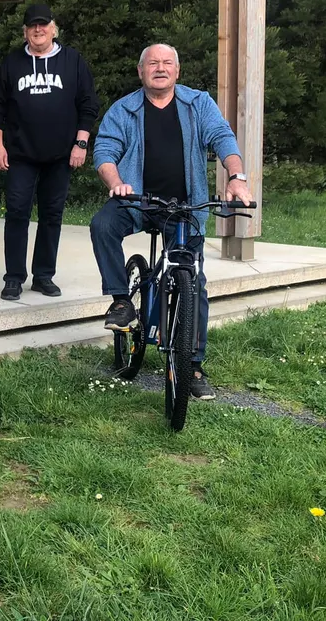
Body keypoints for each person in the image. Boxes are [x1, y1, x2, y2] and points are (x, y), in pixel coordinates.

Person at [90, 43, 252, 401]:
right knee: (102, 225)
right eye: (152, 63)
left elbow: (222, 137)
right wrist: (116, 182)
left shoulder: (198, 103)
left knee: (194, 282)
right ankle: (121, 301)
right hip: (138, 202)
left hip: (185, 208)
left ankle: (192, 365)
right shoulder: (125, 109)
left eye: (167, 63)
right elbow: (104, 151)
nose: (159, 68)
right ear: (141, 71)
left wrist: (236, 176)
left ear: (177, 72)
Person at [0, 2, 99, 301]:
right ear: (25, 32)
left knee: (52, 215)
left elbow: (88, 104)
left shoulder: (72, 61)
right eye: (32, 26)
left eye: (43, 24)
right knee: (16, 214)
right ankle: (13, 278)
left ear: (53, 28)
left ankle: (43, 276)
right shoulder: (12, 63)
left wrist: (81, 143)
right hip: (20, 155)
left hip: (61, 155)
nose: (39, 30)